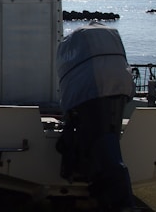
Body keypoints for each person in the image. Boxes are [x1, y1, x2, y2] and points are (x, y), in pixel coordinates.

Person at [56, 21, 135, 211]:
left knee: (102, 145)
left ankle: (116, 199)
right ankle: (115, 198)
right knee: (107, 144)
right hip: (116, 87)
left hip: (90, 94)